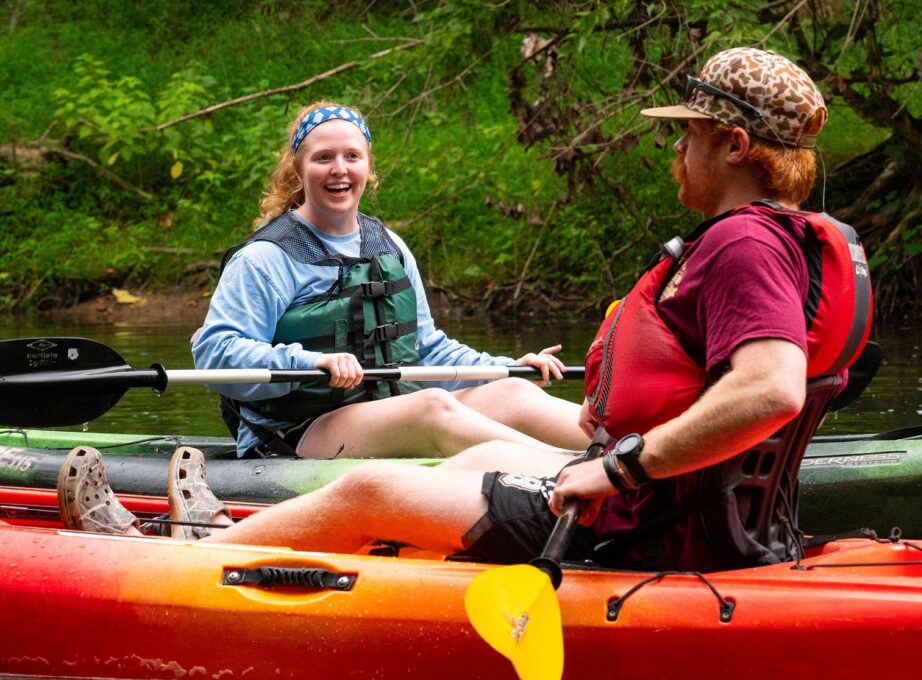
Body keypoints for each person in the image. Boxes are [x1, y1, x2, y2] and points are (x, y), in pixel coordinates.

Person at [59, 48, 869, 571]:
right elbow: (227, 348)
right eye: (323, 156)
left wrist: (613, 465)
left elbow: (770, 389)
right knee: (448, 466)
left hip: (643, 519)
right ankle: (236, 539)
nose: (675, 149)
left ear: (732, 145)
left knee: (373, 488)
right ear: (298, 168)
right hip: (689, 508)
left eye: (687, 134)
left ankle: (161, 566)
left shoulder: (740, 245)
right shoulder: (797, 240)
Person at [190, 101, 588, 462]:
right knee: (432, 407)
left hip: (391, 408)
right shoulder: (265, 258)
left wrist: (506, 368)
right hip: (296, 432)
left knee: (513, 393)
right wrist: (310, 361)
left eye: (352, 156)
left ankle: (626, 450)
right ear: (297, 169)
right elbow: (215, 351)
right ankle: (575, 471)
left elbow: (426, 348)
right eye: (323, 157)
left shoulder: (389, 246)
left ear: (368, 165)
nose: (339, 169)